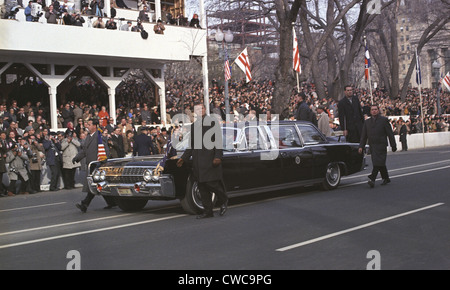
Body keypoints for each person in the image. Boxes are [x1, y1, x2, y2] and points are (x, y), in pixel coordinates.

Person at [176, 103, 228, 219]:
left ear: (205, 109)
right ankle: (208, 211)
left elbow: (218, 141)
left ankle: (224, 198)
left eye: (201, 109)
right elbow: (191, 145)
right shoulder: (194, 126)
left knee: (211, 184)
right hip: (198, 162)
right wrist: (183, 158)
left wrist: (218, 156)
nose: (199, 111)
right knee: (202, 187)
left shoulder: (213, 122)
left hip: (210, 160)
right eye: (197, 110)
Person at [73, 119, 116, 212]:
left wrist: (103, 162)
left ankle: (85, 204)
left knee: (93, 184)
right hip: (90, 165)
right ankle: (111, 202)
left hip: (97, 165)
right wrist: (77, 158)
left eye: (89, 124)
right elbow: (84, 150)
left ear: (94, 126)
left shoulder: (99, 136)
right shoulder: (88, 136)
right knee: (98, 185)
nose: (87, 126)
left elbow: (105, 150)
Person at [358, 104, 397, 188]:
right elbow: (364, 136)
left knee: (378, 163)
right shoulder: (367, 122)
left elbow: (390, 134)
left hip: (381, 145)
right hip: (373, 146)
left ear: (378, 110)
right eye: (372, 110)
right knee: (379, 163)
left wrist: (393, 145)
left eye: (375, 109)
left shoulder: (384, 120)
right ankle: (386, 178)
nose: (374, 111)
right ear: (370, 111)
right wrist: (361, 146)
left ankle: (372, 178)